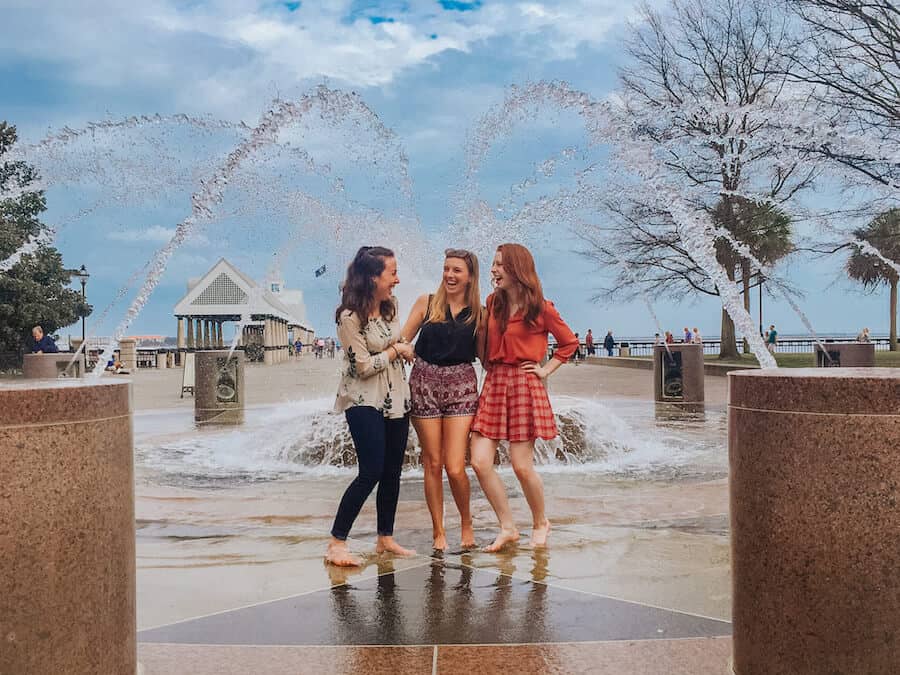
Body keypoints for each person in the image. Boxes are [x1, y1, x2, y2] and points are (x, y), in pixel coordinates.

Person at [470, 243, 578, 551]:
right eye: (493, 264)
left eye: (500, 264)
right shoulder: (494, 303)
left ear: (518, 269)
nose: (493, 270)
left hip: (523, 383)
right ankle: (508, 526)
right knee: (479, 461)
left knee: (521, 466)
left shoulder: (540, 308)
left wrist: (545, 371)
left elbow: (569, 343)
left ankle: (540, 521)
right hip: (495, 382)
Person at [326, 246, 417, 567]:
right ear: (372, 277)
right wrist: (397, 351)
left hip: (396, 399)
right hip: (363, 401)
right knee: (371, 472)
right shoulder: (349, 318)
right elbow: (362, 366)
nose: (397, 279)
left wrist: (401, 348)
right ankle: (337, 542)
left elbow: (394, 342)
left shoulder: (390, 309)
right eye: (391, 273)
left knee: (392, 472)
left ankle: (385, 538)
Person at [401, 248, 482, 552]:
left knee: (455, 466)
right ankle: (438, 530)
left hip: (461, 385)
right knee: (432, 463)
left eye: (457, 270)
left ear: (470, 276)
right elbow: (403, 339)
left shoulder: (479, 313)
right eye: (446, 269)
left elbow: (486, 357)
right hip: (424, 383)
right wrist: (404, 349)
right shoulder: (427, 302)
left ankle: (465, 522)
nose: (449, 275)